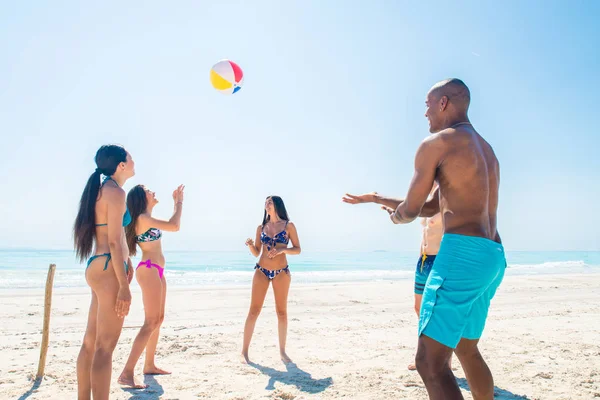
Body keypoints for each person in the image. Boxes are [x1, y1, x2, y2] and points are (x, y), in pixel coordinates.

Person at [381, 78, 506, 399]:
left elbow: (411, 208)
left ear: (444, 102)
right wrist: (392, 204)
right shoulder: (486, 149)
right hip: (492, 253)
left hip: (461, 255)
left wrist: (397, 216)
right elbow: (436, 205)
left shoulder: (436, 144)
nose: (424, 113)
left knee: (430, 364)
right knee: (466, 349)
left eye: (427, 104)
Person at [342, 184, 448, 371]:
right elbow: (412, 210)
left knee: (437, 313)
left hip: (440, 259)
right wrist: (395, 212)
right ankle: (424, 356)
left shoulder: (445, 192)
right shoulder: (429, 193)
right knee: (419, 310)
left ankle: (443, 360)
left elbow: (423, 209)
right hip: (423, 260)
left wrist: (376, 198)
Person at [73, 144, 135, 400]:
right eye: (130, 158)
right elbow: (113, 240)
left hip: (97, 265)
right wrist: (123, 285)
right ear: (121, 165)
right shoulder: (116, 192)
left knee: (90, 343)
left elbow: (115, 238)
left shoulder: (100, 190)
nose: (133, 160)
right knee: (105, 347)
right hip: (109, 268)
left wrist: (127, 261)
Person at [118, 184, 185, 388]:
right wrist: (179, 202)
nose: (153, 191)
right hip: (148, 269)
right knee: (150, 321)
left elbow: (171, 226)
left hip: (156, 270)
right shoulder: (142, 219)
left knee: (158, 319)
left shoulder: (146, 218)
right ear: (141, 197)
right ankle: (126, 373)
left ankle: (149, 365)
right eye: (148, 190)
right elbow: (174, 226)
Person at [241, 196, 301, 364]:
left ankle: (282, 352)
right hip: (261, 270)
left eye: (270, 202)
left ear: (277, 205)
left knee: (281, 312)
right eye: (265, 202)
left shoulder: (289, 226)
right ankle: (244, 352)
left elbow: (297, 249)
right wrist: (251, 245)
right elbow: (257, 252)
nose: (267, 205)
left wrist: (282, 251)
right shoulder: (262, 227)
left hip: (281, 272)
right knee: (254, 311)